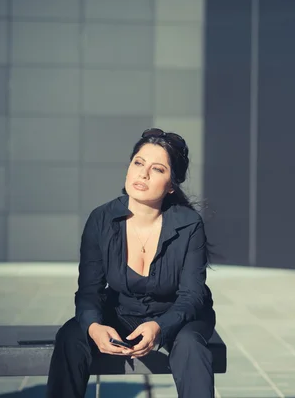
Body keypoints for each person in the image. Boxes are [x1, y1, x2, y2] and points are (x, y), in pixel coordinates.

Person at [46, 128, 216, 398]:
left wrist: (160, 327)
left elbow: (192, 297)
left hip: (180, 315)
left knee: (190, 346)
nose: (143, 174)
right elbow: (89, 290)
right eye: (138, 162)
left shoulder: (189, 224)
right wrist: (94, 326)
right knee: (71, 336)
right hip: (124, 310)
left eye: (157, 169)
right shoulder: (101, 219)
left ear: (171, 184)